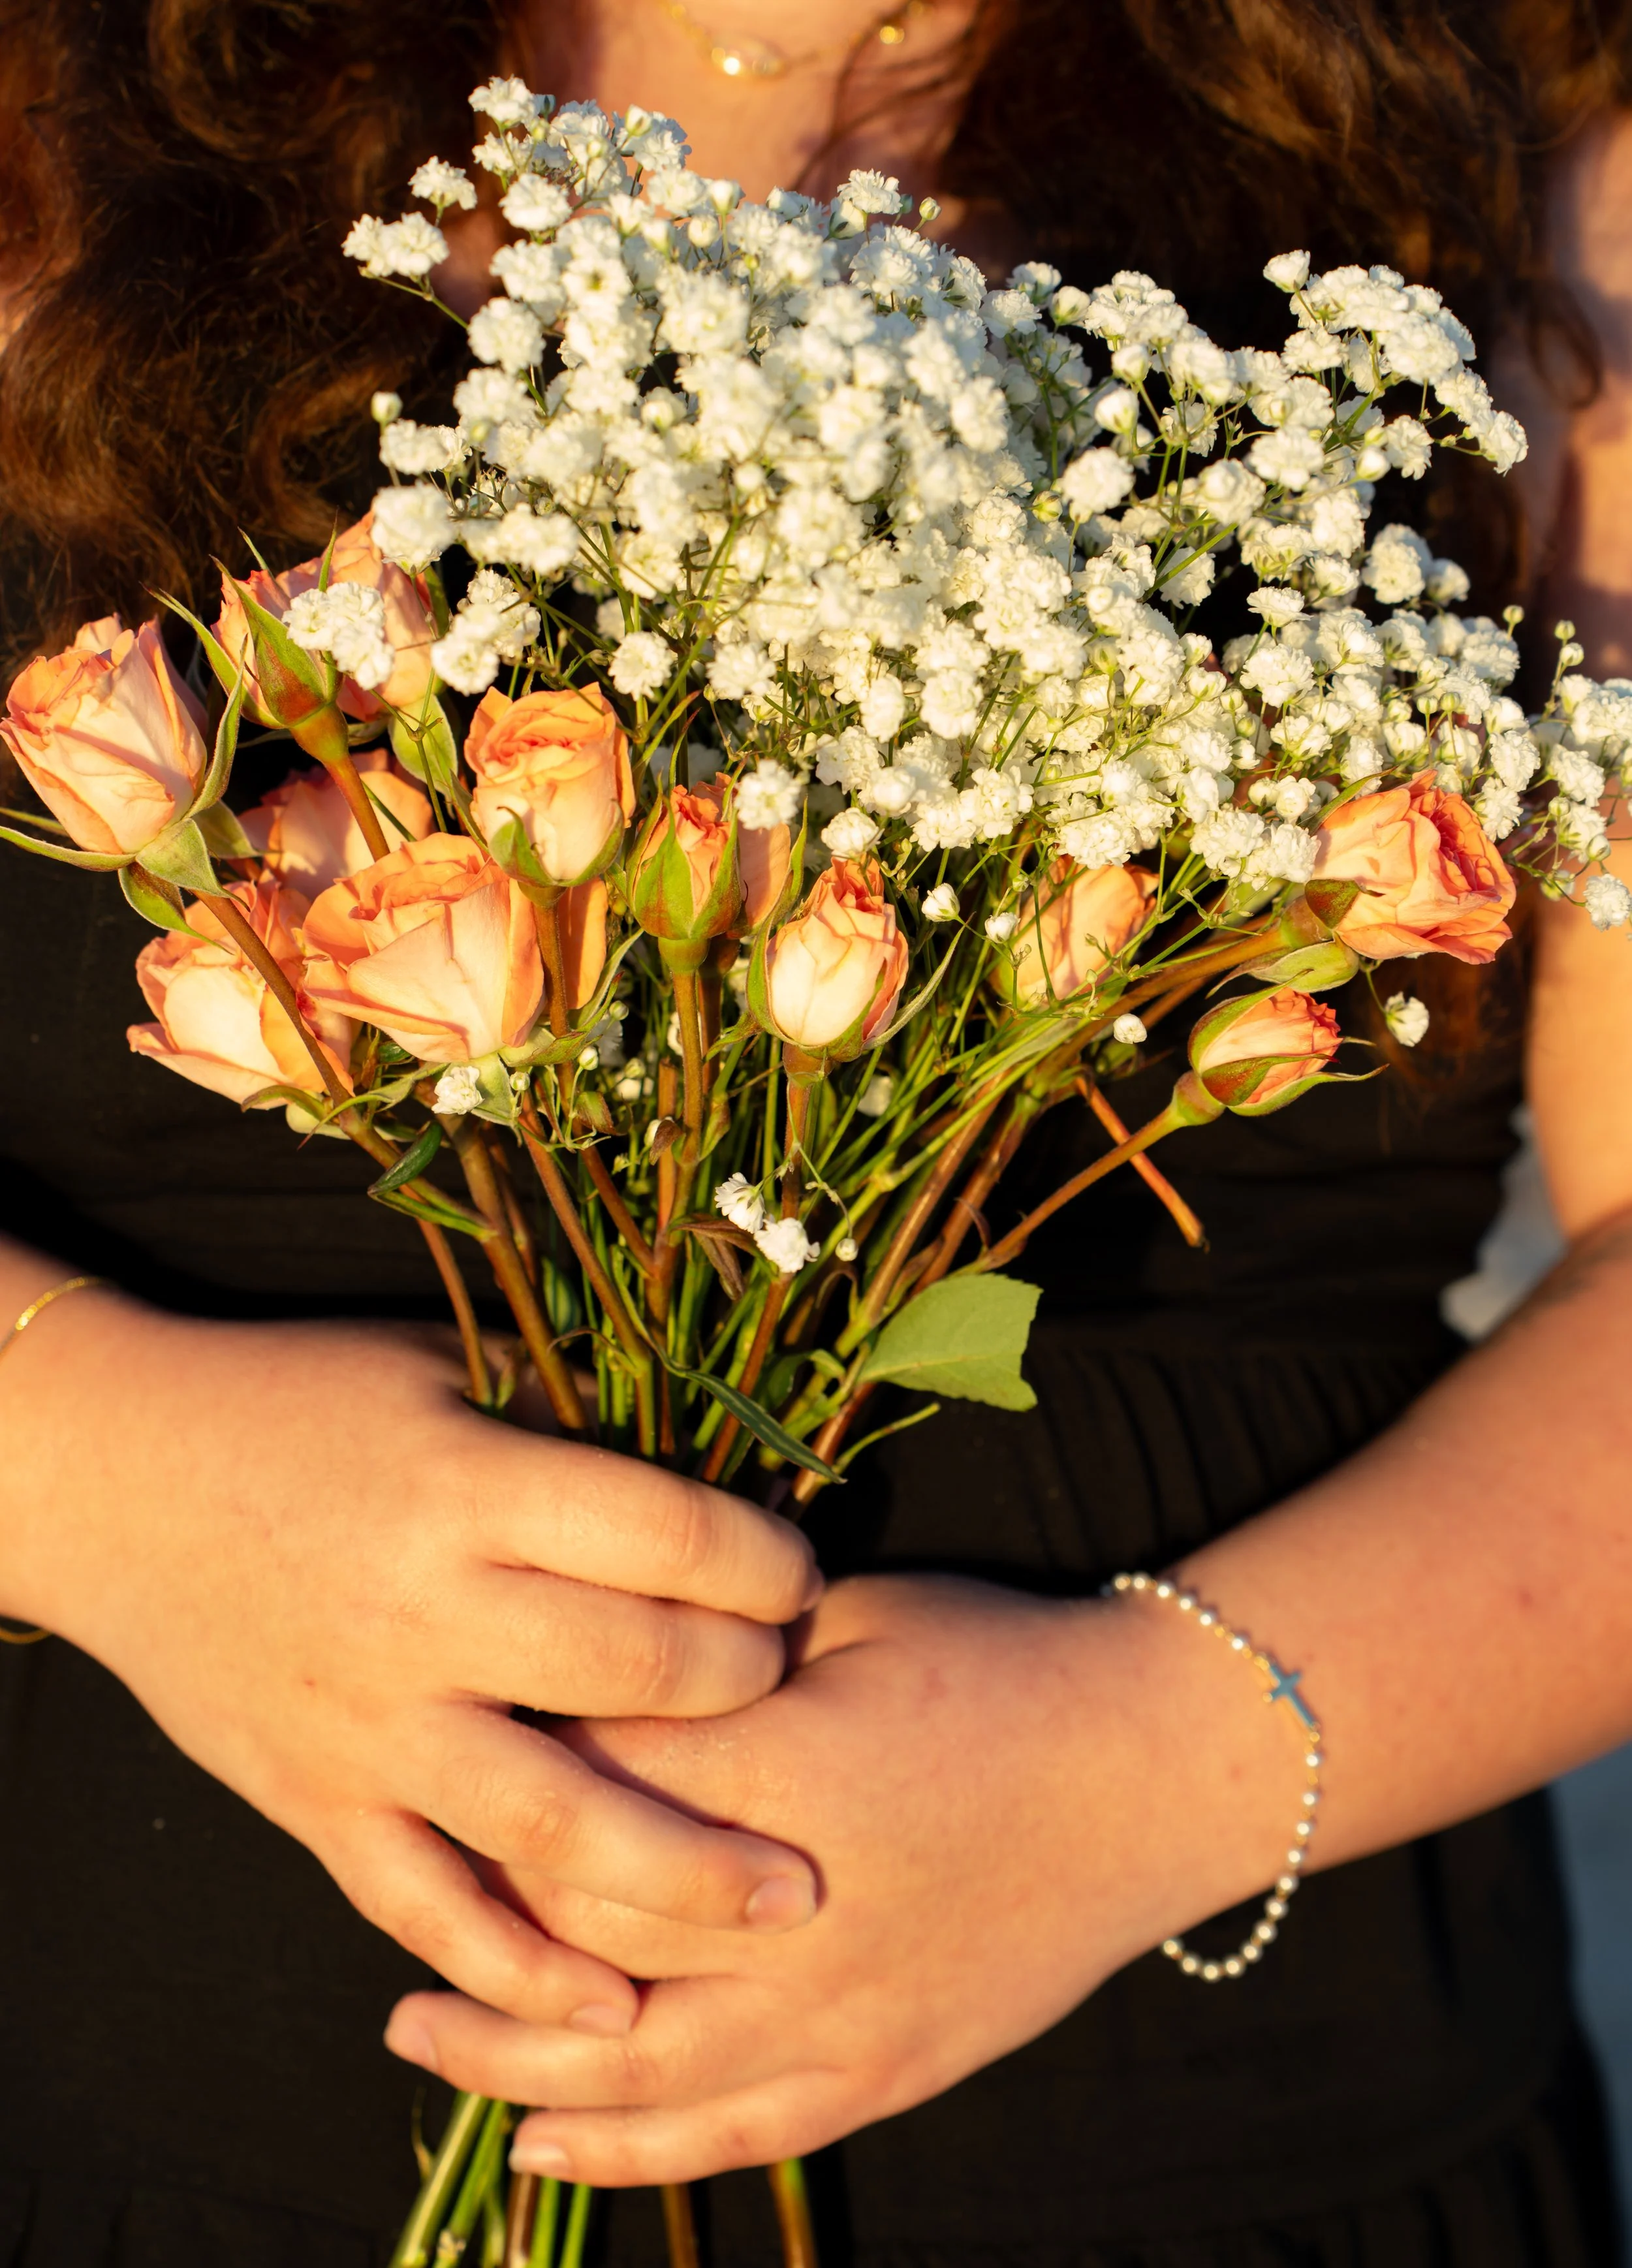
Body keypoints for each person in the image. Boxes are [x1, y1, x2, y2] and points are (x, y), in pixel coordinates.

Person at [3, 3, 1632, 2263]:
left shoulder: (1516, 164)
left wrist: (1143, 1767)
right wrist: (77, 1456)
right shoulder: (56, 113)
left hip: (1244, 2162)